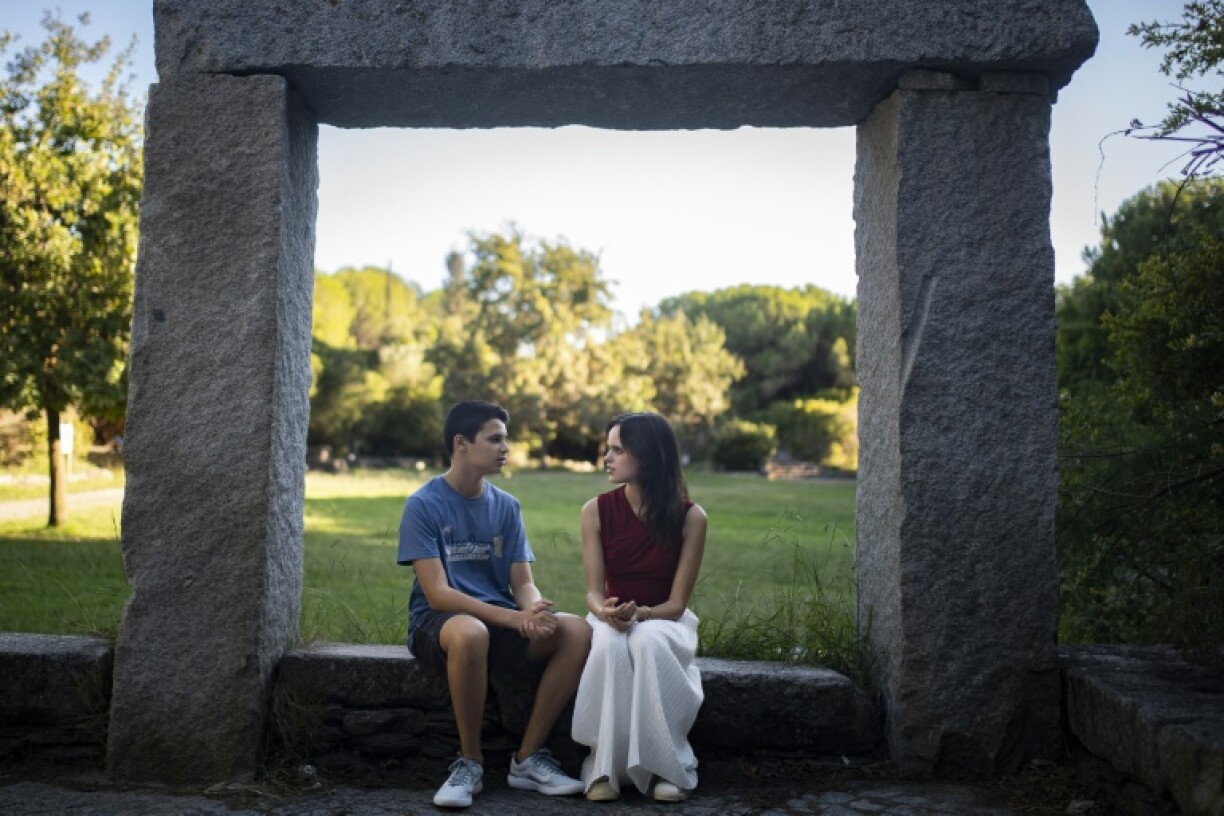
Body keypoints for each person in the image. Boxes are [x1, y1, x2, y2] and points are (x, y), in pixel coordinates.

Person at [397, 401, 591, 809]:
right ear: (461, 443)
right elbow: (439, 594)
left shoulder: (507, 505)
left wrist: (534, 610)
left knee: (576, 630)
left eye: (506, 439)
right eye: (495, 439)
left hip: (500, 621)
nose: (506, 448)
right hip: (440, 624)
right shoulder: (422, 504)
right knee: (471, 632)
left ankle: (528, 759)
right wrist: (514, 616)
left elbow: (522, 581)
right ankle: (469, 762)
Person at [571, 412, 708, 803]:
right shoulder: (594, 510)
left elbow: (678, 603)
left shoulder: (691, 517)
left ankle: (670, 767)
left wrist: (642, 614)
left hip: (664, 619)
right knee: (612, 644)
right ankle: (603, 767)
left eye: (617, 449)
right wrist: (605, 614)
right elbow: (593, 592)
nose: (607, 458)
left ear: (646, 456)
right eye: (608, 448)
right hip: (610, 619)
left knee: (646, 640)